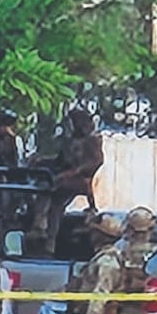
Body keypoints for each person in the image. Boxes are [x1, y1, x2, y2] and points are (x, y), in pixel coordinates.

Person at [30, 108, 104, 255]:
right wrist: (42, 160)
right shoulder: (70, 141)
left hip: (80, 180)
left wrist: (70, 173)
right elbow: (60, 161)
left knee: (50, 187)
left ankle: (40, 224)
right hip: (66, 177)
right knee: (54, 205)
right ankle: (47, 240)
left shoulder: (92, 140)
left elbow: (94, 162)